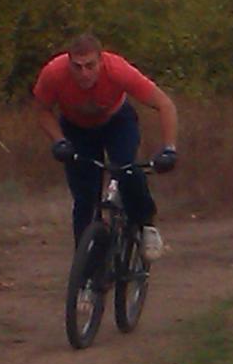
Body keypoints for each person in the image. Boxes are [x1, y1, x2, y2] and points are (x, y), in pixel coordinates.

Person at [31, 32, 179, 257]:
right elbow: (42, 110)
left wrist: (169, 149)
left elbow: (164, 104)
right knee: (85, 199)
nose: (84, 73)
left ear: (101, 61)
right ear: (68, 62)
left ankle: (146, 224)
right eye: (77, 67)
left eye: (90, 66)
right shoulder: (54, 73)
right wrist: (59, 140)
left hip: (117, 123)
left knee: (126, 169)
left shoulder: (117, 70)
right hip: (76, 129)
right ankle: (86, 264)